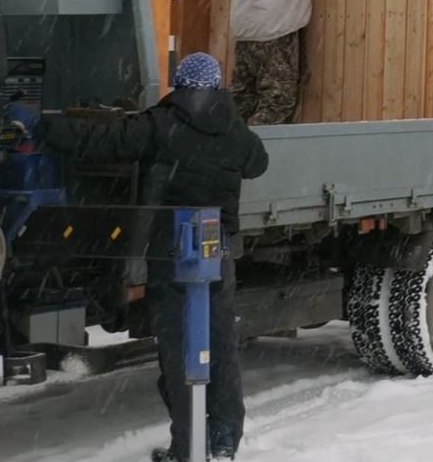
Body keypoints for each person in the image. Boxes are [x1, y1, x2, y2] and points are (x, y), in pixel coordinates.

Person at [27, 53, 268, 462]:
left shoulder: (160, 125)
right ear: (216, 87)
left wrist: (44, 125)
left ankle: (186, 446)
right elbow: (257, 164)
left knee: (178, 349)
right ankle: (225, 440)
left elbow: (103, 141)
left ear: (179, 84)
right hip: (217, 252)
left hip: (170, 250)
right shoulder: (234, 129)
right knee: (220, 345)